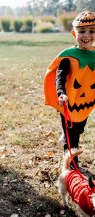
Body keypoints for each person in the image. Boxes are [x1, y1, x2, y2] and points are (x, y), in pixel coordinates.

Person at [44, 11, 95, 169]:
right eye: (81, 31)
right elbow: (59, 77)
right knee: (72, 137)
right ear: (74, 33)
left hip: (85, 103)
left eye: (92, 31)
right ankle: (72, 164)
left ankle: (68, 139)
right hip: (68, 102)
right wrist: (62, 93)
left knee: (79, 129)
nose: (86, 35)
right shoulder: (69, 56)